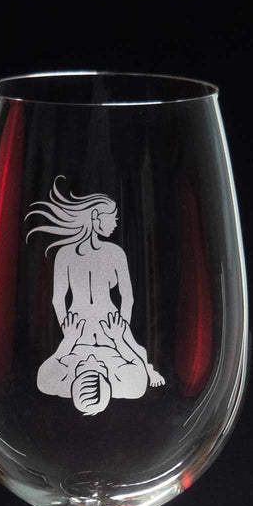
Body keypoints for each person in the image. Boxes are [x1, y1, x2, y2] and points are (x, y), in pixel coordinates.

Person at [27, 177, 164, 415]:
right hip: (90, 323)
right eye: (112, 218)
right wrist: (70, 330)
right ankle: (146, 369)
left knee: (137, 349)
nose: (116, 223)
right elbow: (58, 298)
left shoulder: (111, 253)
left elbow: (127, 297)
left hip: (95, 321)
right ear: (95, 217)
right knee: (134, 351)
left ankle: (148, 368)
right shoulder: (71, 255)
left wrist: (119, 326)